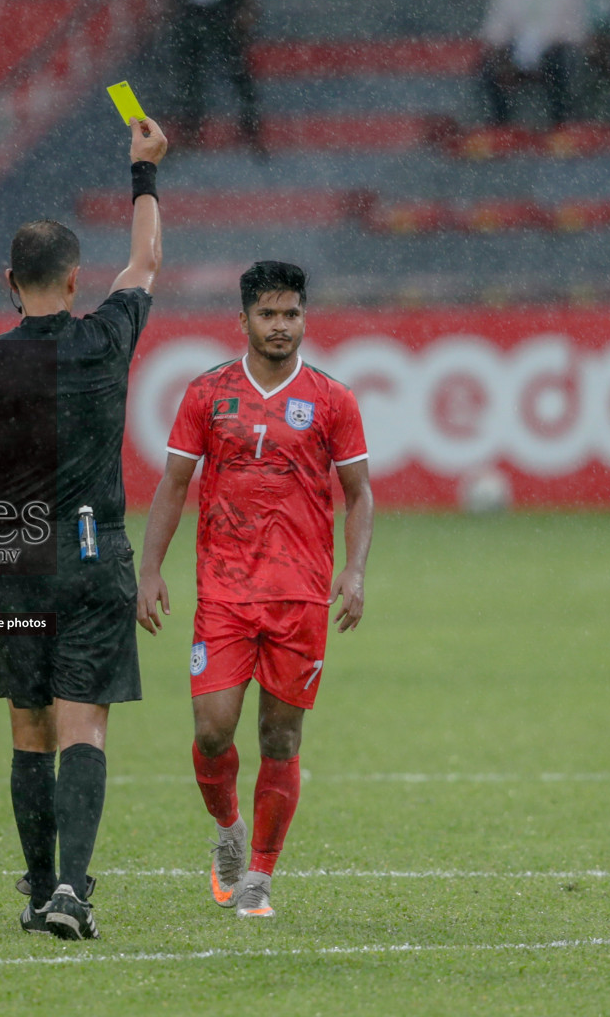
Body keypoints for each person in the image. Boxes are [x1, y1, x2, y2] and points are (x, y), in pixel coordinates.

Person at [0, 118, 167, 941]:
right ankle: (71, 892)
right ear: (73, 282)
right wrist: (144, 173)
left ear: (7, 280)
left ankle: (36, 893)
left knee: (28, 727)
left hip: (9, 555)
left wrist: (0, 450)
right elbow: (145, 263)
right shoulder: (105, 336)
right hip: (92, 553)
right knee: (83, 724)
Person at [136, 261, 374, 919]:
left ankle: (259, 879)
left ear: (304, 319)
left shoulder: (332, 400)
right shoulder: (207, 393)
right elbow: (173, 486)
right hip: (224, 591)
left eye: (291, 314)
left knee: (280, 737)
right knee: (213, 730)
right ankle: (228, 835)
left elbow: (359, 495)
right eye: (267, 314)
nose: (280, 325)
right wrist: (150, 569)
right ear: (242, 321)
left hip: (299, 596)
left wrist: (353, 571)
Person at [166, 0, 262, 155]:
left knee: (239, 74)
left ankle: (250, 129)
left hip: (224, 11)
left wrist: (246, 7)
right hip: (192, 12)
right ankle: (190, 131)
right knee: (190, 77)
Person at [480, 0, 589, 128]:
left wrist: (543, 46)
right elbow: (496, 31)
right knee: (489, 66)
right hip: (515, 50)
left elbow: (574, 31)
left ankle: (561, 122)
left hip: (554, 48)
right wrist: (506, 58)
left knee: (561, 62)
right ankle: (500, 124)